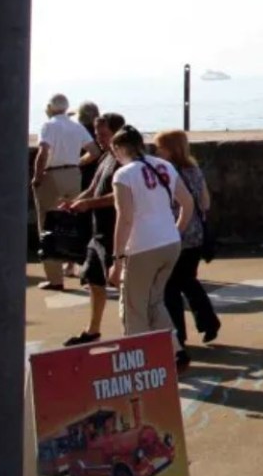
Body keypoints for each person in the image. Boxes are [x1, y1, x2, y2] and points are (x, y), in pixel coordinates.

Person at [108, 125, 196, 365]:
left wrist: (116, 260)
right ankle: (176, 350)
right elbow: (187, 203)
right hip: (169, 242)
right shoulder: (164, 165)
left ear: (118, 148)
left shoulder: (124, 175)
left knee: (133, 306)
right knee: (155, 301)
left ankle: (136, 360)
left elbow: (125, 218)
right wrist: (175, 231)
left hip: (142, 246)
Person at [60, 112, 125, 346]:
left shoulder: (124, 160)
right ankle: (93, 330)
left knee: (122, 284)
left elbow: (117, 197)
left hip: (115, 231)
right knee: (94, 280)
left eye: (104, 135)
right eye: (97, 135)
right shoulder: (106, 157)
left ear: (118, 132)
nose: (99, 139)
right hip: (97, 232)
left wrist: (89, 204)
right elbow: (94, 188)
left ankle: (135, 331)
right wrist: (76, 202)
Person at [157, 130, 222, 350]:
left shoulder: (167, 172)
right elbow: (205, 202)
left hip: (175, 232)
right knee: (189, 281)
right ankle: (208, 322)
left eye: (160, 147)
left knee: (170, 287)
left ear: (170, 149)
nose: (157, 152)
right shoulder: (194, 169)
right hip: (195, 235)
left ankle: (179, 335)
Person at [32, 94, 95, 290]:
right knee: (73, 221)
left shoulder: (49, 125)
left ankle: (55, 278)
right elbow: (94, 152)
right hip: (73, 174)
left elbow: (43, 152)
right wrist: (77, 163)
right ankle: (76, 265)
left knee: (48, 224)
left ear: (50, 108)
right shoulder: (76, 126)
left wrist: (37, 176)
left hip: (53, 175)